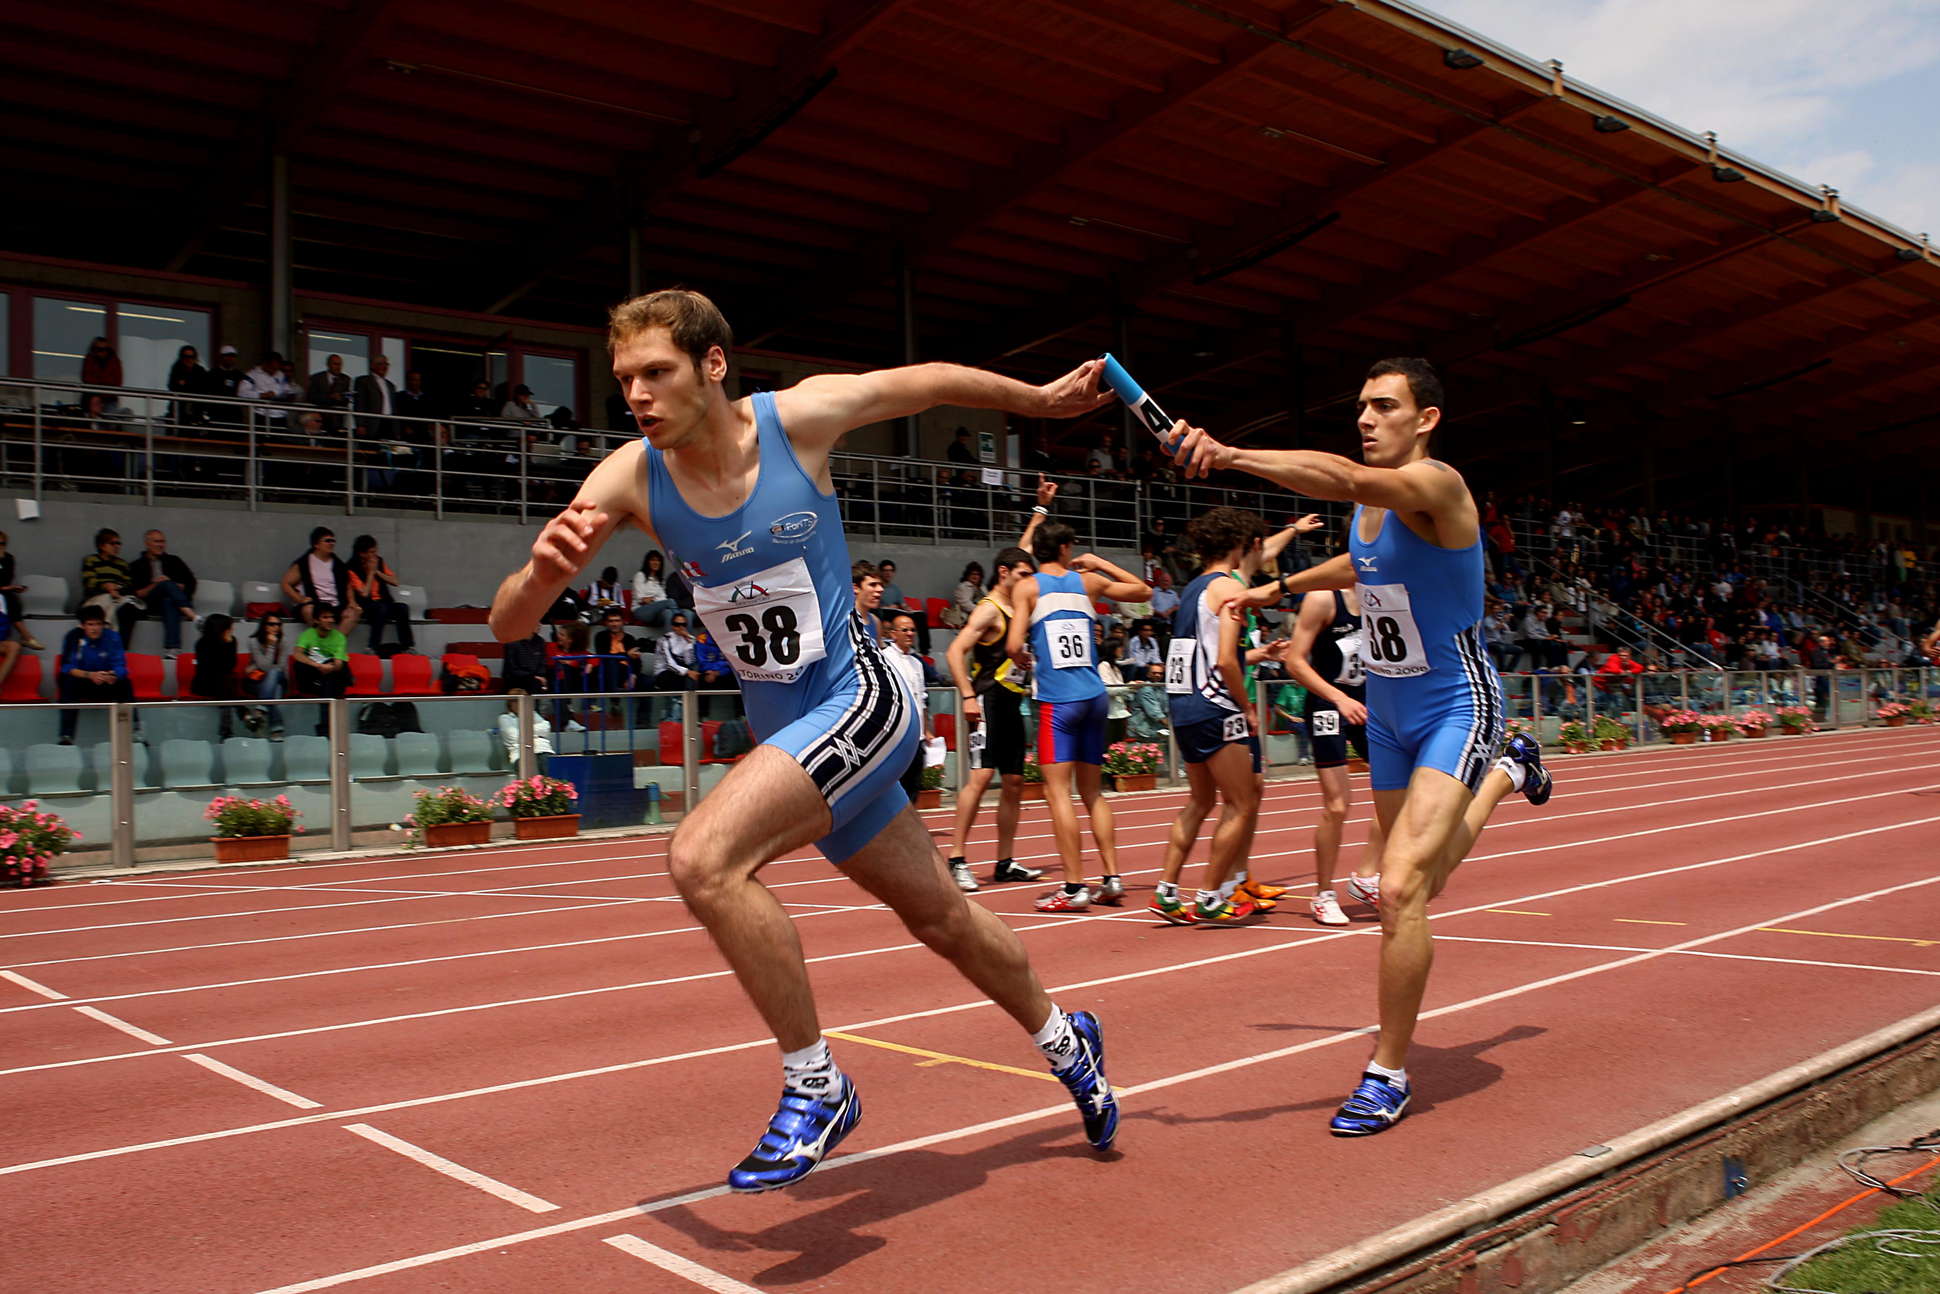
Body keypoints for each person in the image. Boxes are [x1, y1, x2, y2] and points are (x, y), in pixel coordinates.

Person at [487, 287, 1120, 1192]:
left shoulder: (799, 420)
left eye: (656, 372)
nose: (637, 394)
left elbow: (930, 381)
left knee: (703, 859)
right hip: (794, 732)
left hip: (862, 700)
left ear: (713, 364)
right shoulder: (631, 476)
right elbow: (510, 624)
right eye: (625, 379)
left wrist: (1040, 401)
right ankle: (1068, 1040)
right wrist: (543, 576)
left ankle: (817, 1086)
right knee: (942, 916)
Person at [1170, 356, 1554, 1137]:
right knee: (1411, 886)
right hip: (1387, 713)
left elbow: (1344, 476)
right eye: (1361, 406)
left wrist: (1230, 454)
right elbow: (1363, 564)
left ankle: (1387, 1074)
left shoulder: (1437, 484)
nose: (1366, 419)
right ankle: (1509, 772)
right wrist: (1277, 589)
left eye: (1384, 406)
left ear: (1427, 419)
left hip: (1453, 703)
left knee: (1401, 888)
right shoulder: (1370, 510)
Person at [1006, 521, 1151, 912]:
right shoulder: (1089, 582)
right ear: (1066, 549)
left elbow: (1013, 643)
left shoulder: (1027, 587)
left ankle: (1073, 887)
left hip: (1058, 703)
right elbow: (1143, 591)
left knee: (1058, 795)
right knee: (1093, 793)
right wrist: (1099, 563)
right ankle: (1112, 878)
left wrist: (1023, 656)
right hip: (1094, 697)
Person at [1148, 507, 1275, 926]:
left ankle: (1167, 891)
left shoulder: (1191, 589)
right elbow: (1225, 659)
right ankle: (1209, 896)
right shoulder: (1228, 589)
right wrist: (1248, 707)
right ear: (1240, 545)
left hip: (1183, 705)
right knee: (1241, 803)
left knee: (1200, 801)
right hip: (1216, 706)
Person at [1284, 546, 1388, 927]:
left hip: (1369, 706)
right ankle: (1323, 894)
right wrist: (1339, 698)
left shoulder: (1384, 596)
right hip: (1329, 706)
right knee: (1338, 805)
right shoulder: (1323, 599)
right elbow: (1294, 661)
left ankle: (1366, 876)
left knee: (1401, 794)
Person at [943, 545, 1046, 892]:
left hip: (1012, 703)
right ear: (1004, 573)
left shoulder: (1017, 608)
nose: (1028, 581)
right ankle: (957, 859)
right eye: (1023, 574)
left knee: (1014, 781)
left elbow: (1021, 551)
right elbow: (954, 651)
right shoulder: (989, 609)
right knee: (982, 776)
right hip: (986, 700)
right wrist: (967, 696)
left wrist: (1038, 518)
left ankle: (1005, 862)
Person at [56, 606, 139, 745]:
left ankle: (135, 732)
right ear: (83, 626)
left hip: (106, 681)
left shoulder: (113, 637)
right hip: (84, 680)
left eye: (98, 624)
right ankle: (66, 735)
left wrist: (113, 675)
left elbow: (121, 666)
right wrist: (90, 675)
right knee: (68, 682)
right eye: (90, 624)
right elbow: (67, 667)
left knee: (125, 683)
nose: (95, 628)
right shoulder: (73, 637)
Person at [281, 527, 362, 635]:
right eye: (327, 540)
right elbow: (285, 584)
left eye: (333, 541)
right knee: (308, 610)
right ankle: (320, 640)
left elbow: (348, 585)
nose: (331, 543)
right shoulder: (304, 563)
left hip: (336, 605)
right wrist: (300, 599)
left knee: (355, 612)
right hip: (315, 605)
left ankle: (335, 642)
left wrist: (352, 602)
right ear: (316, 544)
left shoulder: (339, 565)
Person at [347, 535, 414, 655]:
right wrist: (370, 574)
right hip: (367, 606)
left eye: (375, 551)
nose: (375, 555)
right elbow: (364, 593)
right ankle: (372, 647)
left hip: (385, 602)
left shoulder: (379, 561)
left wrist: (377, 572)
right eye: (372, 552)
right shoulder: (351, 568)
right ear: (362, 554)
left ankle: (408, 646)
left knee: (402, 608)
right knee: (380, 609)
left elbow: (395, 581)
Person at [78, 528, 142, 646]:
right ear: (102, 546)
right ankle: (106, 631)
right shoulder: (91, 560)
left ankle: (122, 647)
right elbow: (89, 582)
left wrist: (116, 588)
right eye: (113, 543)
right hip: (96, 599)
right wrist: (106, 587)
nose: (117, 546)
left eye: (119, 543)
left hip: (117, 597)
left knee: (130, 607)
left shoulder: (122, 564)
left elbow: (128, 585)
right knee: (107, 599)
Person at [290, 603, 352, 725]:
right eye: (325, 617)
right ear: (316, 620)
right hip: (315, 673)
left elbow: (339, 664)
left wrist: (329, 667)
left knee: (331, 679)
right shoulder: (307, 634)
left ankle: (325, 726)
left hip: (332, 674)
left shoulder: (339, 637)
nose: (330, 620)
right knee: (299, 664)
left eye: (332, 617)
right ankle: (327, 727)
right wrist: (319, 666)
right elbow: (297, 654)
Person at [188, 614, 242, 739]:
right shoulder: (202, 644)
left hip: (223, 683)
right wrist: (223, 647)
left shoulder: (231, 641)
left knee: (225, 681)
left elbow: (231, 665)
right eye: (229, 627)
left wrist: (228, 645)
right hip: (205, 682)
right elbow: (209, 668)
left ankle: (226, 731)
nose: (232, 629)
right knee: (225, 681)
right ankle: (242, 714)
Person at [246, 613, 294, 739]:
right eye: (272, 624)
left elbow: (280, 666)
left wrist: (256, 665)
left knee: (274, 673)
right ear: (264, 626)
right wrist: (271, 646)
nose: (276, 627)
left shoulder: (283, 641)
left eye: (278, 624)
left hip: (279, 678)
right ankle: (275, 730)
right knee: (274, 691)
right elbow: (264, 666)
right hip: (257, 681)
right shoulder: (254, 641)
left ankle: (260, 710)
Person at [0, 531, 44, 651]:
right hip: (3, 592)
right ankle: (27, 637)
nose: (1, 546)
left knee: (11, 598)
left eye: (3, 543)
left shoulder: (8, 558)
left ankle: (26, 637)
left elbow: (7, 579)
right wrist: (7, 588)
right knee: (10, 598)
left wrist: (12, 588)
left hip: (4, 592)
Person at [498, 688, 555, 767]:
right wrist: (536, 735)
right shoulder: (505, 718)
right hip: (520, 753)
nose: (520, 704)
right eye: (516, 701)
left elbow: (546, 728)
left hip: (543, 749)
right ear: (510, 703)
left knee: (552, 768)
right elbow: (514, 737)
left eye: (524, 700)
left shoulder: (532, 713)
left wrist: (524, 731)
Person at [631, 549, 678, 631]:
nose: (656, 563)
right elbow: (641, 599)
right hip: (641, 611)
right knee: (671, 602)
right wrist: (657, 600)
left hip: (656, 612)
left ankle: (670, 637)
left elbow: (663, 599)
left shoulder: (659, 579)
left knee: (668, 613)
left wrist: (653, 599)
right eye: (653, 560)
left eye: (658, 560)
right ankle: (681, 622)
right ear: (647, 562)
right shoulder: (640, 575)